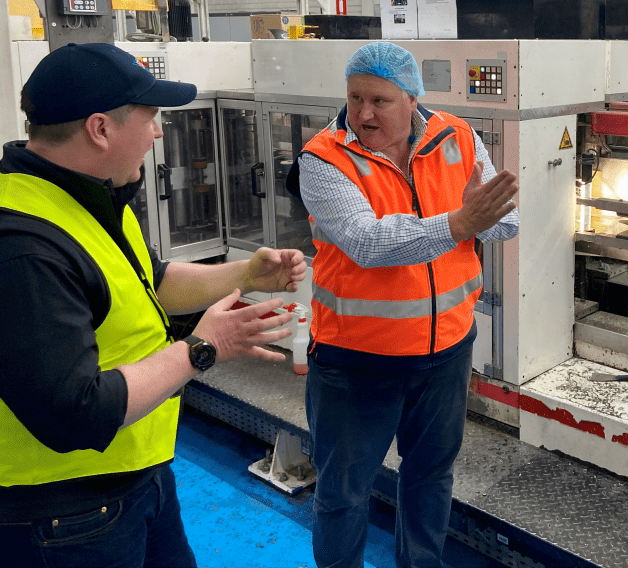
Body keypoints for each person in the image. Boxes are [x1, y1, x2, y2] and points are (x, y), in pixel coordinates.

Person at [0, 43, 307, 568]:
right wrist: (204, 348)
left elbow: (150, 281)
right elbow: (77, 413)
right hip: (65, 513)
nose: (160, 132)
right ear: (100, 129)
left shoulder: (89, 196)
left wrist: (243, 274)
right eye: (151, 117)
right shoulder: (24, 247)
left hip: (139, 475)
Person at [289, 41, 519, 567]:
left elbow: (504, 217)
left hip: (447, 352)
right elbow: (368, 243)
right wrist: (459, 223)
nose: (364, 113)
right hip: (356, 361)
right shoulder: (323, 159)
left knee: (430, 478)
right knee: (344, 494)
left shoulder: (458, 137)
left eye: (380, 100)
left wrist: (481, 218)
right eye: (355, 98)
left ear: (412, 98)